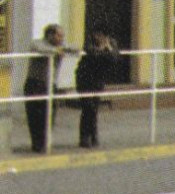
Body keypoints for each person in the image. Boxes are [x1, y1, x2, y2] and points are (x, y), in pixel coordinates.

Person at [23, 24, 75, 154]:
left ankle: (45, 142)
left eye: (62, 35)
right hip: (35, 84)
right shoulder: (38, 43)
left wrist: (64, 48)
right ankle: (37, 144)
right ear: (50, 35)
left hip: (50, 85)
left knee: (49, 115)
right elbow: (41, 49)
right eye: (59, 35)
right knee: (35, 116)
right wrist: (57, 51)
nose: (61, 38)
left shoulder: (61, 45)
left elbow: (75, 48)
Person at [74, 32, 119, 149]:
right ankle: (84, 137)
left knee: (94, 108)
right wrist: (102, 49)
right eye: (98, 35)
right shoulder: (89, 41)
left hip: (98, 80)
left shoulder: (111, 43)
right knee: (87, 107)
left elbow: (114, 58)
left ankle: (93, 136)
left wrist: (108, 48)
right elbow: (92, 54)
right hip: (84, 79)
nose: (100, 38)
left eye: (104, 36)